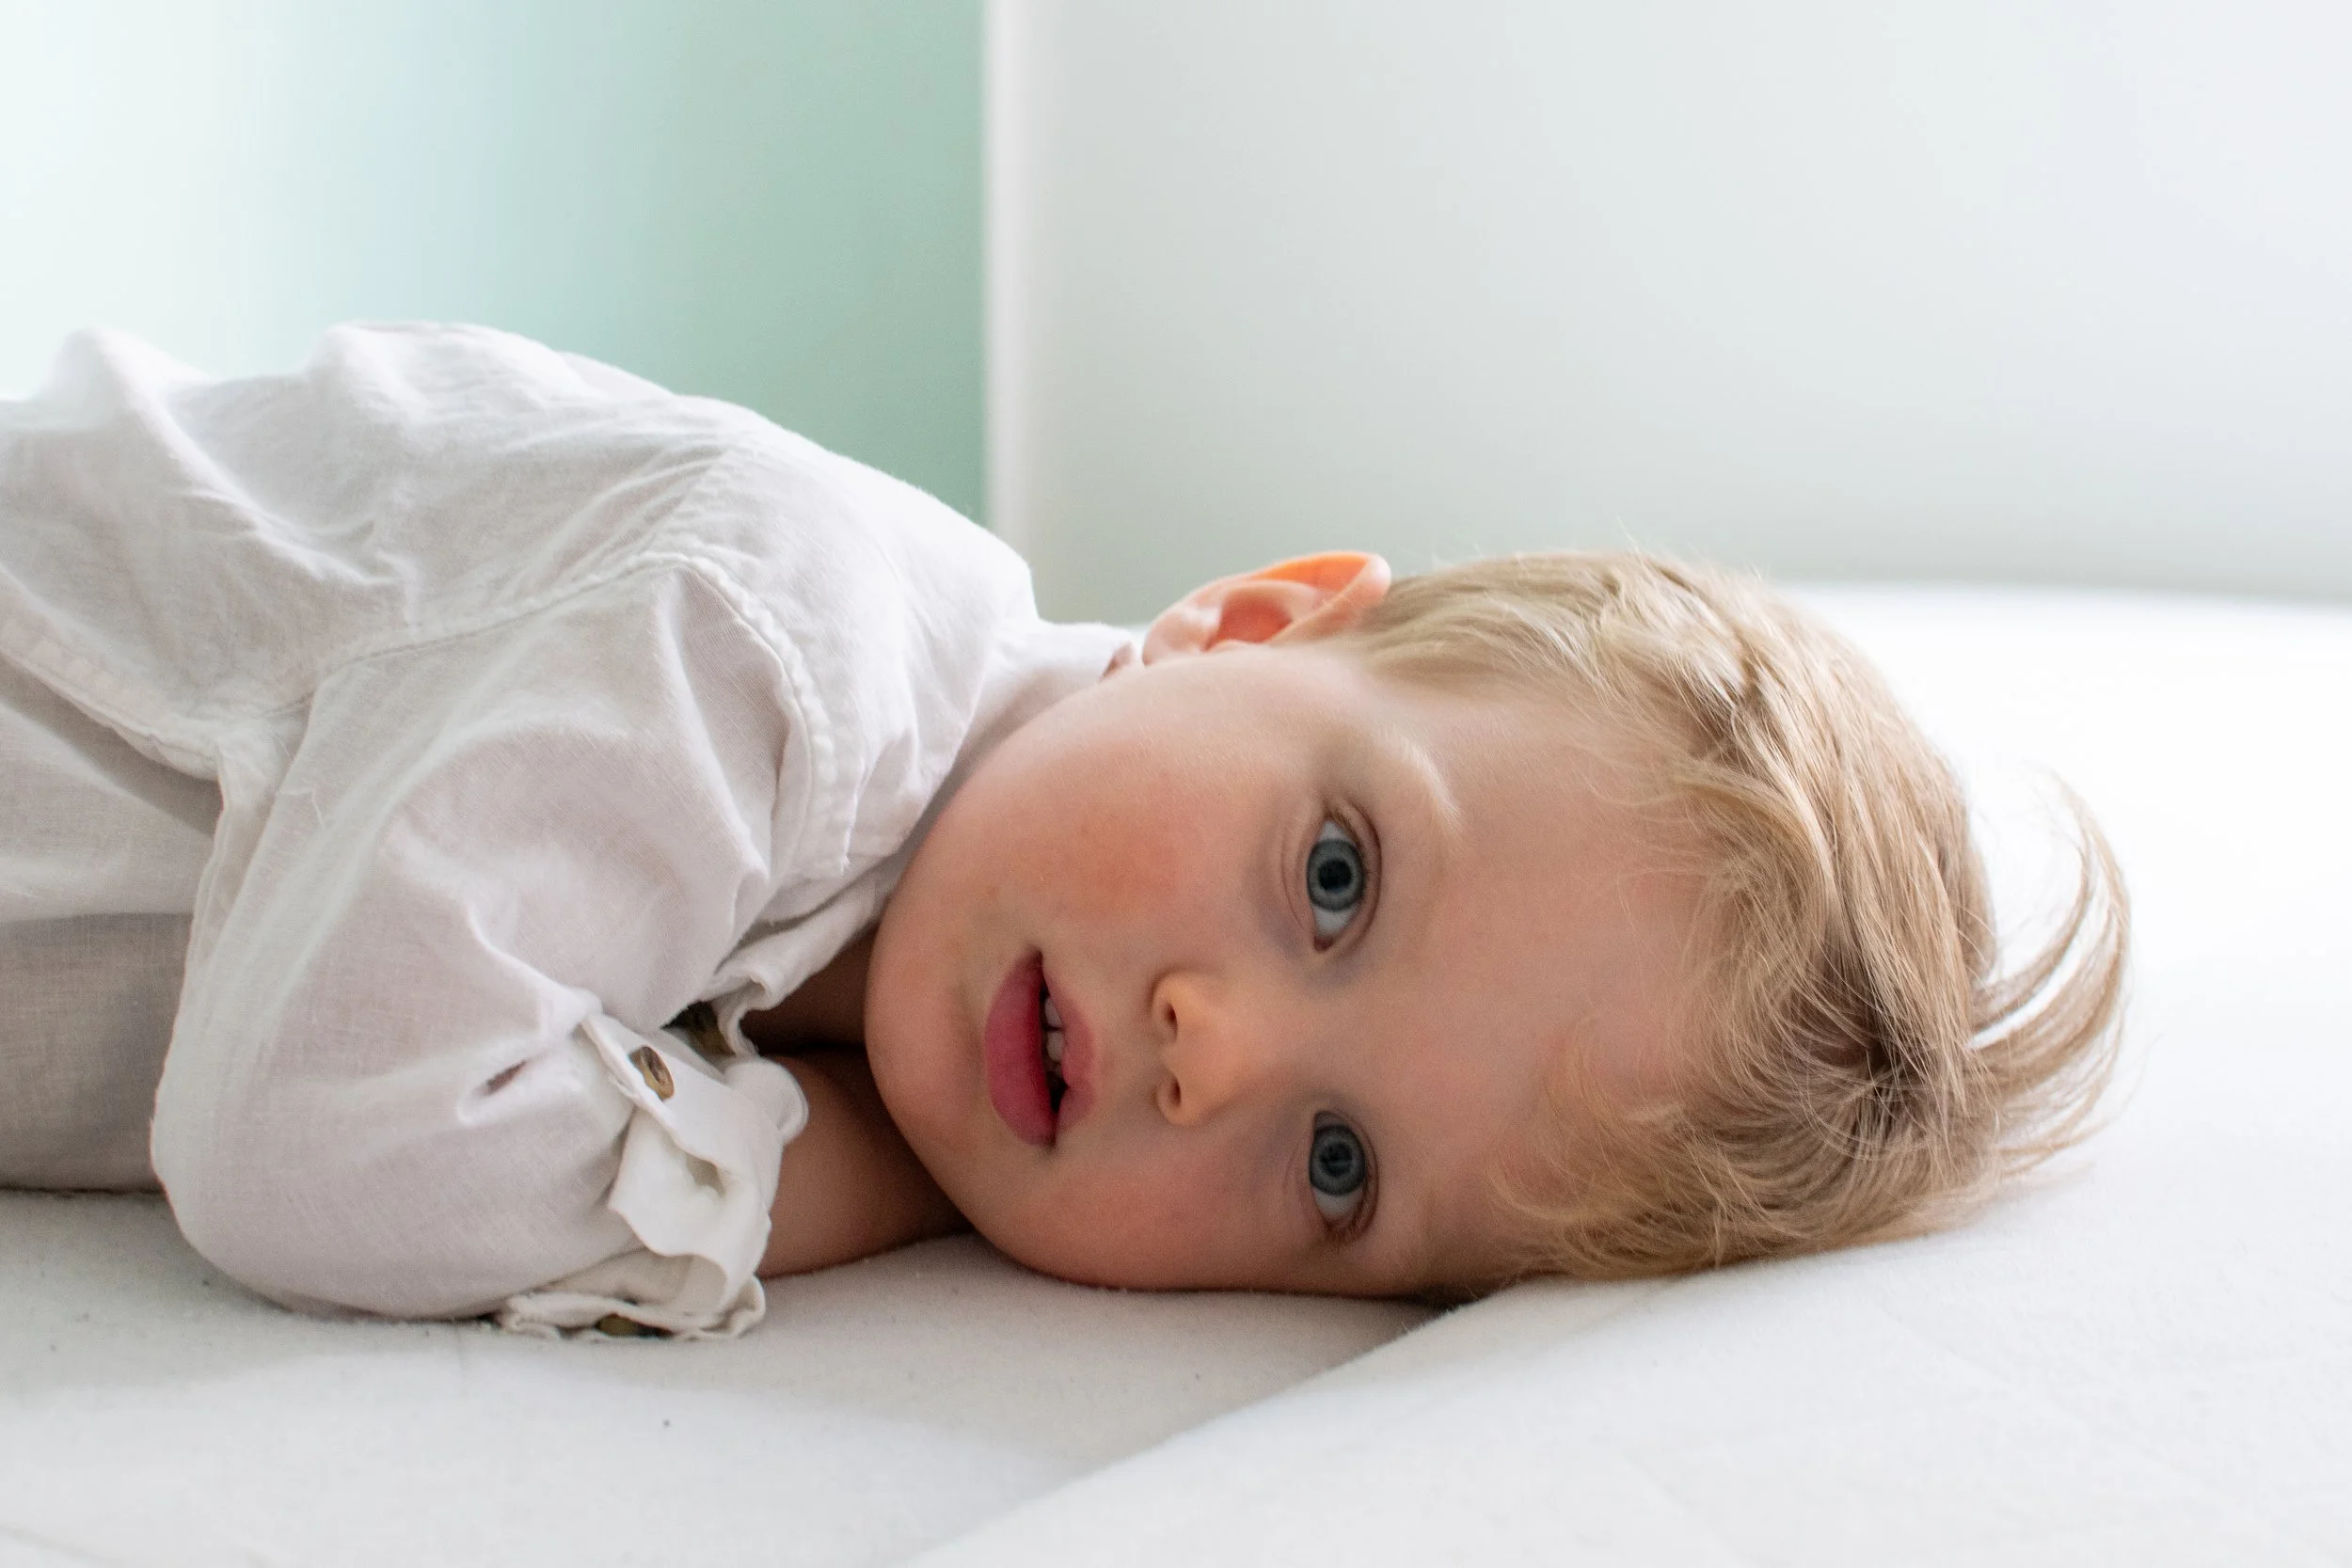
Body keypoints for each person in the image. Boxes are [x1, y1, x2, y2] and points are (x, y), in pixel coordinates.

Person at [0, 325, 2126, 1338]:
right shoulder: (770, 632)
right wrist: (840, 1168)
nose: (1215, 1050)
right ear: (1249, 619)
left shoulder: (870, 896)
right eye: (1332, 879)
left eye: (1334, 1167)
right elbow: (308, 1135)